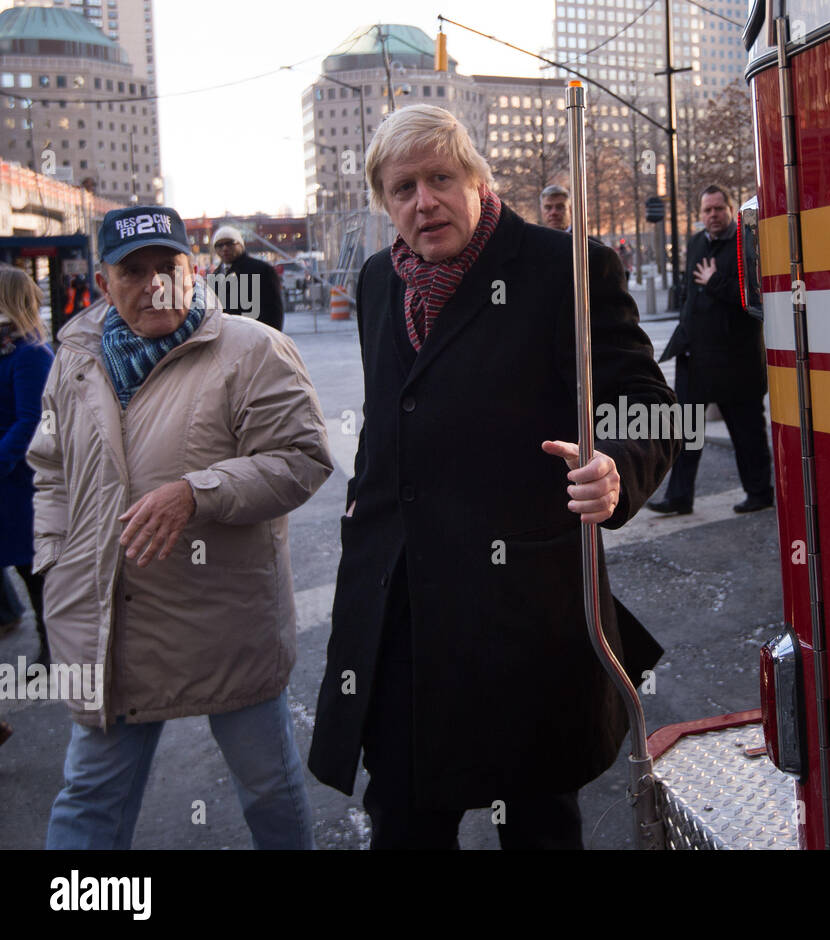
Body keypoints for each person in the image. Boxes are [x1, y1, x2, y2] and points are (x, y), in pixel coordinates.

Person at [307, 105, 679, 850]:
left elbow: (651, 409)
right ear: (385, 202)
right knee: (405, 820)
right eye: (403, 187)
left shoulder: (563, 267)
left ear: (477, 179)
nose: (424, 201)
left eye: (441, 178)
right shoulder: (381, 280)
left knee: (537, 820)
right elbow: (392, 416)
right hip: (401, 615)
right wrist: (362, 505)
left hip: (520, 616)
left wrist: (614, 472)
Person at [28, 205, 333, 850]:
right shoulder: (76, 359)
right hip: (107, 625)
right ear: (104, 283)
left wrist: (197, 494)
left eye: (167, 266)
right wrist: (54, 559)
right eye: (132, 271)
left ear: (192, 271)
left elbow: (302, 460)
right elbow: (49, 468)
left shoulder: (251, 350)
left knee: (267, 789)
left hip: (223, 622)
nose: (153, 284)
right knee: (88, 797)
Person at [649, 185, 774, 515]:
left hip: (736, 359)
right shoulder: (696, 242)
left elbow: (756, 297)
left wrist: (716, 280)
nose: (712, 215)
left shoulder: (745, 242)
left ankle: (760, 492)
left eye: (718, 209)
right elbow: (690, 293)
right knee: (686, 433)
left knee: (746, 431)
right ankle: (679, 496)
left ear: (730, 209)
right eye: (707, 210)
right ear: (700, 213)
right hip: (696, 357)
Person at [0, 265, 54, 752]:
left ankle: (52, 649)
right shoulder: (7, 347)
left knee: (34, 570)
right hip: (9, 485)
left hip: (17, 485)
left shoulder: (32, 353)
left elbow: (30, 420)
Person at [211, 225, 285, 331]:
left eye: (230, 243)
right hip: (228, 339)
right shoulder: (215, 276)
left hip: (256, 336)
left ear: (241, 245)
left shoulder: (262, 270)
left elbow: (274, 311)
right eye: (219, 245)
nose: (225, 248)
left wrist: (272, 338)